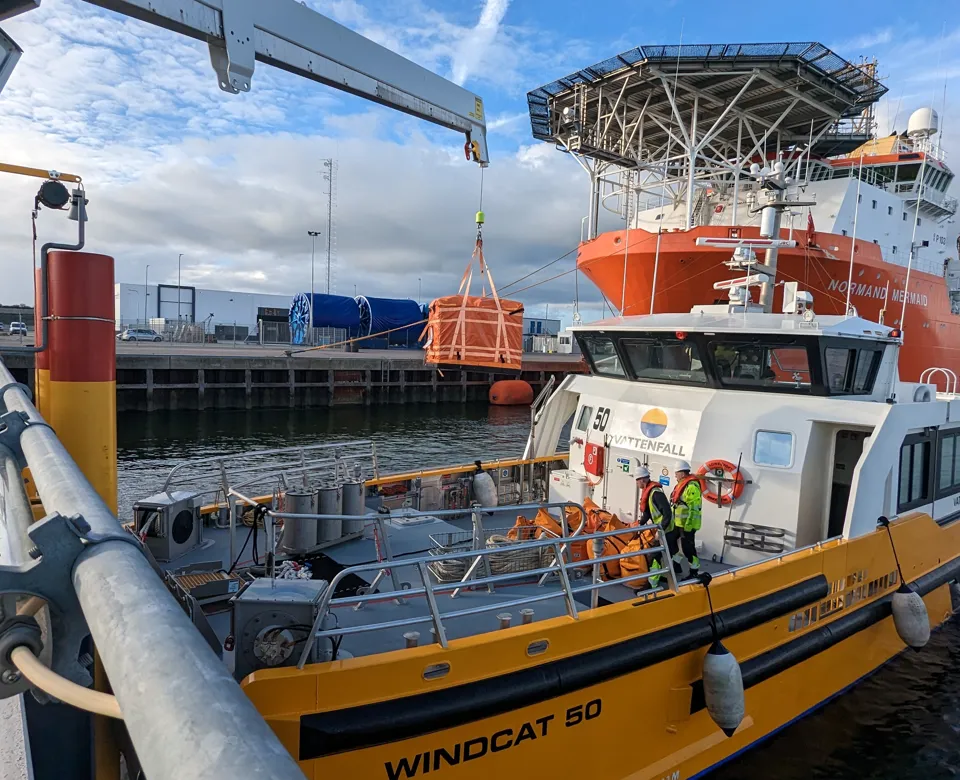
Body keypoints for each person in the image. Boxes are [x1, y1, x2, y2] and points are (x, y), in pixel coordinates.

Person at [635, 466, 680, 588]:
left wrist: (660, 530)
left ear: (642, 480)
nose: (637, 483)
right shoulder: (650, 492)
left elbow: (667, 513)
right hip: (667, 529)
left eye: (637, 480)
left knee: (654, 556)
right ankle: (676, 569)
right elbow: (648, 512)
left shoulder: (656, 493)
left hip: (666, 530)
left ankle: (652, 584)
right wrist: (640, 524)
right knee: (672, 551)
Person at [671, 460, 703, 577]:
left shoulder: (692, 487)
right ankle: (676, 564)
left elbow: (694, 508)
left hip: (687, 524)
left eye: (677, 473)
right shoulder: (681, 484)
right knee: (671, 541)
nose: (675, 475)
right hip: (678, 523)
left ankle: (694, 571)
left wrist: (688, 526)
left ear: (683, 473)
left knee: (688, 549)